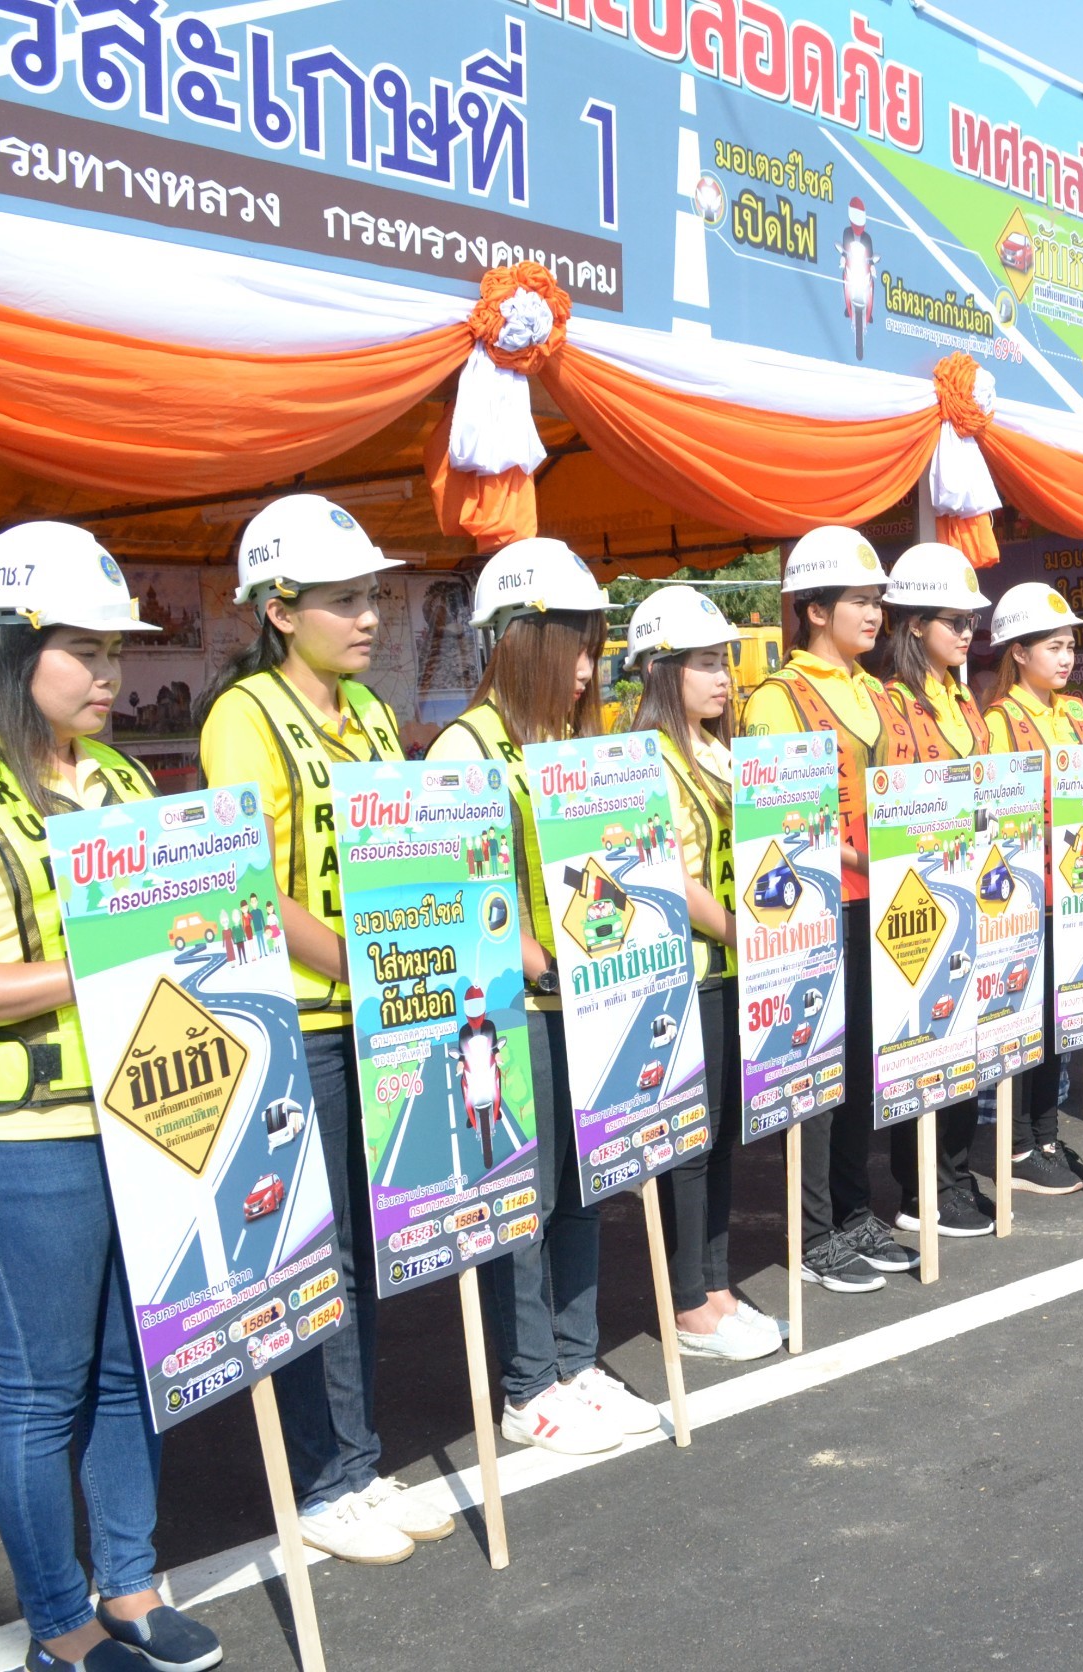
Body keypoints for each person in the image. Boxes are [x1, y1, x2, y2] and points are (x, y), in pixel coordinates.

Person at [0, 525, 226, 1672]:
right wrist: (87, 971)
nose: (113, 673)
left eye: (118, 650)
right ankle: (61, 1625)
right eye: (86, 649)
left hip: (143, 1114)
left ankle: (130, 1587)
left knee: (134, 1367)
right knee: (44, 1388)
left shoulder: (121, 779)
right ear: (8, 649)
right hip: (17, 1138)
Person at [197, 495, 453, 1565]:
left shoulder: (369, 714)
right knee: (319, 1257)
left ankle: (356, 1457)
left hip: (383, 1014)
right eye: (344, 601)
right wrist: (356, 958)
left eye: (372, 597)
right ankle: (326, 1478)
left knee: (368, 1244)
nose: (370, 618)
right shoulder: (244, 716)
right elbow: (248, 879)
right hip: (303, 1021)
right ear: (277, 608)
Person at [428, 538, 666, 1452]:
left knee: (582, 1189)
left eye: (593, 652)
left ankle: (576, 1360)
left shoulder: (570, 742)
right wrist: (537, 956)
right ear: (522, 641)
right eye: (574, 649)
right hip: (512, 1014)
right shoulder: (466, 746)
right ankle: (529, 1386)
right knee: (520, 1206)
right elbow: (460, 896)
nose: (586, 671)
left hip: (587, 1001)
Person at [740, 526, 918, 1293]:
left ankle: (853, 1213)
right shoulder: (777, 699)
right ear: (815, 609)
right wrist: (864, 862)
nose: (874, 614)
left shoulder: (877, 690)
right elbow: (780, 823)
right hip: (815, 912)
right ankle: (813, 1233)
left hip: (882, 904)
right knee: (812, 1078)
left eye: (878, 601)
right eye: (859, 600)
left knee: (862, 1071)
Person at [629, 585, 785, 1360]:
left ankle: (717, 1285)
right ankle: (687, 1300)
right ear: (660, 671)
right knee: (687, 1145)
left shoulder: (721, 750)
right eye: (703, 663)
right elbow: (667, 872)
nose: (723, 677)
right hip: (685, 974)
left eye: (724, 661)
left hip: (733, 969)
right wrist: (736, 932)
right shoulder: (646, 759)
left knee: (723, 1135)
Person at [866, 543, 997, 1235]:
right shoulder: (888, 701)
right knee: (920, 1043)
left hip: (970, 890)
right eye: (955, 621)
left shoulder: (962, 695)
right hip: (915, 894)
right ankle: (920, 1189)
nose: (968, 632)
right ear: (914, 624)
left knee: (963, 1044)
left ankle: (955, 1173)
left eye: (972, 621)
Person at [982, 581, 1083, 1191]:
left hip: (1078, 893)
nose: (1066, 657)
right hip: (1028, 901)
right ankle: (1020, 1145)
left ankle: (1048, 1133)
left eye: (1070, 646)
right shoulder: (999, 721)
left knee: (1062, 1024)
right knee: (1025, 1024)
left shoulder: (1075, 712)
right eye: (1054, 646)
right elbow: (996, 818)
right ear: (1019, 652)